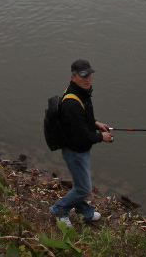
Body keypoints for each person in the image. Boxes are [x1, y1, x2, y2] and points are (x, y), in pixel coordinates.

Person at [50, 58, 113, 226]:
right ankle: (59, 210)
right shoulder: (72, 102)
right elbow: (80, 136)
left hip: (79, 149)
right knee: (84, 189)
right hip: (75, 151)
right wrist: (102, 137)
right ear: (73, 77)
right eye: (83, 76)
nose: (87, 79)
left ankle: (85, 212)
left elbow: (80, 121)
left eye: (89, 75)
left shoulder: (80, 93)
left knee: (79, 185)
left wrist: (96, 124)